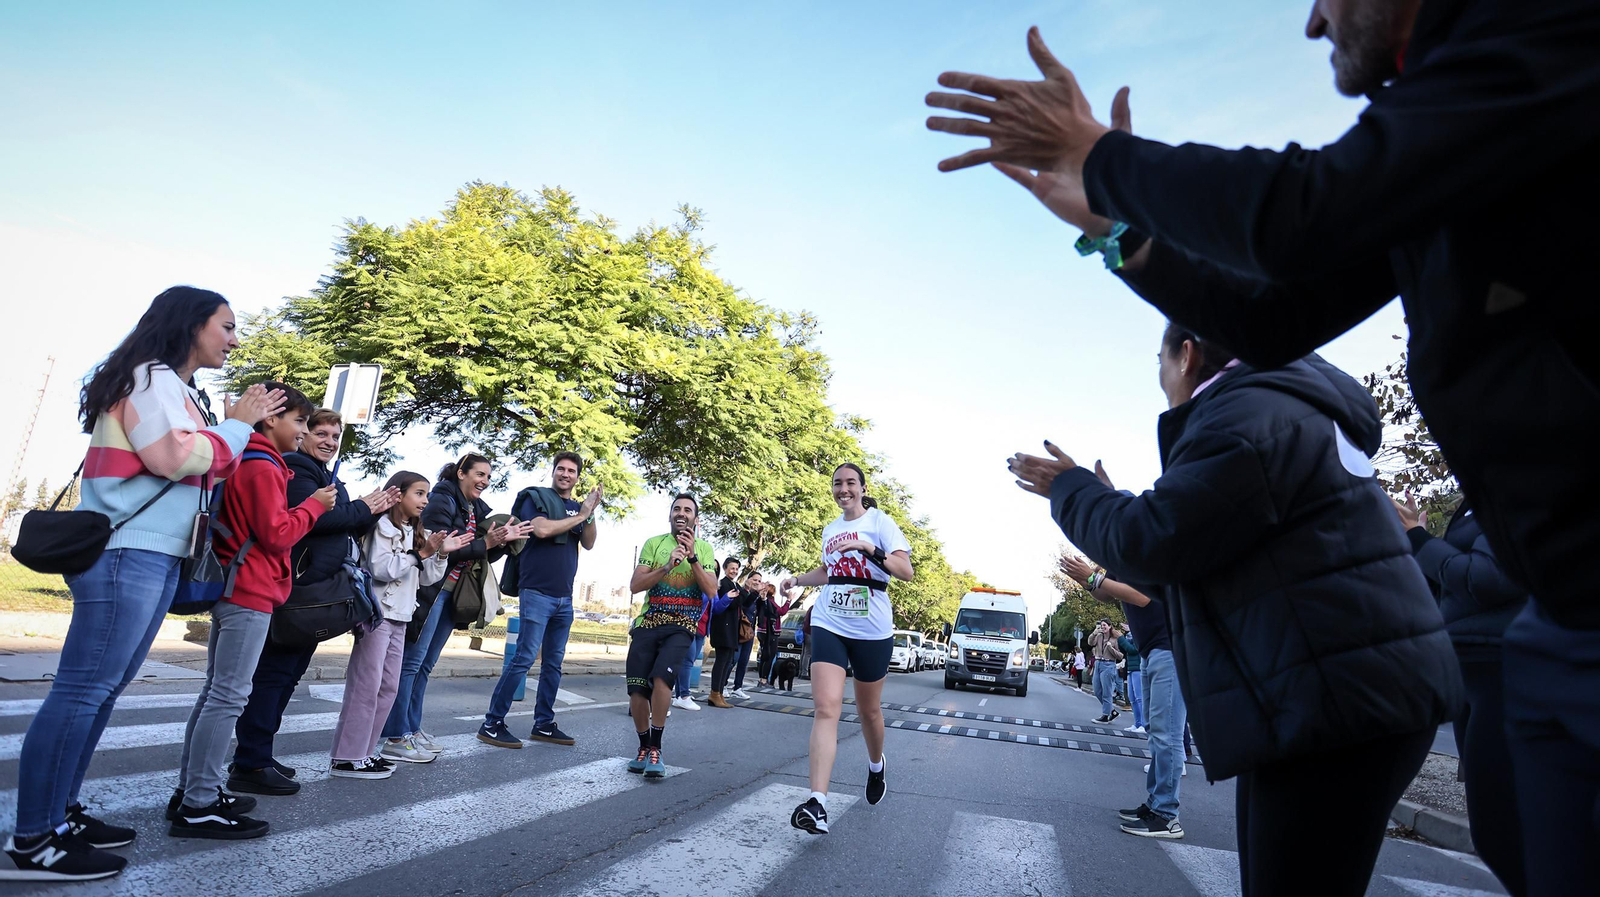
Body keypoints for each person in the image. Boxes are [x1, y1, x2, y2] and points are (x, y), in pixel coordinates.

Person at [926, 14, 1600, 891]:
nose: (1314, 19)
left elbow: (1296, 216)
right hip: (1555, 614)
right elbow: (1274, 314)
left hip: (1367, 687)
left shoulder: (1537, 45)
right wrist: (1119, 228)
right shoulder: (1447, 153)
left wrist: (1103, 157)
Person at [1006, 324, 1462, 895]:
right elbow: (1191, 548)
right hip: (1345, 688)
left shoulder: (1245, 412)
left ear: (1189, 355)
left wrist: (1073, 491)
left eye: (1160, 361)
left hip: (1335, 698)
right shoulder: (1284, 408)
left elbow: (1157, 541)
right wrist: (1113, 507)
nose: (1161, 378)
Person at [1, 288, 285, 882]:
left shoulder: (172, 386)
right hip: (126, 552)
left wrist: (227, 433)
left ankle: (60, 816)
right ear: (189, 325)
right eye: (226, 327)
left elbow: (206, 462)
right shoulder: (150, 377)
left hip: (150, 553)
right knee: (83, 691)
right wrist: (236, 426)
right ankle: (33, 842)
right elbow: (176, 458)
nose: (235, 340)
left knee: (100, 692)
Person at [170, 382, 335, 840]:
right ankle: (199, 802)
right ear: (270, 420)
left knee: (216, 693)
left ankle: (193, 790)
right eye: (299, 421)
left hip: (236, 585)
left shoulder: (252, 457)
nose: (304, 431)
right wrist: (313, 507)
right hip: (249, 589)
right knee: (228, 696)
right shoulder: (263, 465)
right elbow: (277, 534)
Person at [228, 409, 398, 795]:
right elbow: (317, 518)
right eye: (320, 432)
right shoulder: (298, 468)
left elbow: (343, 521)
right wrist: (362, 508)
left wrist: (365, 512)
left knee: (287, 677)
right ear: (302, 434)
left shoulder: (321, 473)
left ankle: (259, 755)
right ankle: (249, 763)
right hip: (292, 590)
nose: (329, 441)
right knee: (272, 677)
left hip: (311, 592)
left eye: (335, 436)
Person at [1397, 494, 1528, 896]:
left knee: (1504, 828)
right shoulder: (1478, 494)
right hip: (1468, 668)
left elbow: (1489, 578)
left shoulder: (1515, 490)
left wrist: (1420, 539)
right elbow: (1453, 585)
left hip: (1504, 668)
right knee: (1493, 831)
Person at [781, 463, 913, 834]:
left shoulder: (881, 523)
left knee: (869, 711)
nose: (844, 489)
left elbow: (905, 571)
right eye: (838, 483)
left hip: (871, 627)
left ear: (862, 487)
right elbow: (830, 572)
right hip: (830, 622)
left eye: (850, 483)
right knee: (826, 708)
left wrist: (867, 547)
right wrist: (796, 579)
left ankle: (875, 765)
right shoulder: (830, 528)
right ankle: (817, 802)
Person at [337, 472, 469, 779]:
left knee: (388, 688)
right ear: (398, 495)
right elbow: (381, 569)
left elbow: (426, 578)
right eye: (419, 494)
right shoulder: (383, 526)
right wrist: (420, 554)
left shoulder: (413, 530)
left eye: (425, 494)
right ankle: (347, 757)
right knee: (366, 688)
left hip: (401, 616)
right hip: (377, 615)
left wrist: (438, 553)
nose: (425, 500)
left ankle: (365, 753)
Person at [381, 453, 515, 757]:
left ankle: (411, 729)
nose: (484, 481)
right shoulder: (442, 500)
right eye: (479, 474)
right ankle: (396, 735)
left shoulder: (474, 507)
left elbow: (477, 553)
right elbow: (438, 550)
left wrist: (499, 543)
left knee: (425, 666)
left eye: (488, 477)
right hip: (433, 592)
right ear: (460, 473)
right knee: (411, 665)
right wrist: (485, 544)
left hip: (451, 594)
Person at [477, 452, 597, 750]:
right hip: (537, 591)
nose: (565, 474)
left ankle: (543, 723)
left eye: (571, 471)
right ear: (553, 472)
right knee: (524, 658)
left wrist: (590, 512)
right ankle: (492, 723)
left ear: (577, 477)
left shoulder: (575, 508)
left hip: (563, 598)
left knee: (554, 664)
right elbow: (541, 529)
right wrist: (580, 516)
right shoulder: (536, 498)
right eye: (561, 469)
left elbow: (589, 542)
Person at [1064, 553, 1186, 838]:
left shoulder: (1147, 548)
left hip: (1170, 649)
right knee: (1157, 732)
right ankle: (1156, 804)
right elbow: (1107, 596)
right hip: (1152, 651)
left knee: (1167, 733)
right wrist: (1087, 581)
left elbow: (1142, 596)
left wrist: (1095, 578)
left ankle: (1167, 816)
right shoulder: (1122, 556)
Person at [624, 494, 718, 778]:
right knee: (637, 687)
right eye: (676, 508)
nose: (681, 513)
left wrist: (693, 559)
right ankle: (643, 747)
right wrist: (665, 567)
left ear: (695, 519)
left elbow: (712, 591)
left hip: (682, 626)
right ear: (670, 515)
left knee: (661, 679)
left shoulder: (704, 549)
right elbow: (636, 584)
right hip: (648, 622)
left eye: (687, 510)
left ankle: (656, 748)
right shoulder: (655, 544)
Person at [706, 558, 745, 708]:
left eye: (736, 569)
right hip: (722, 628)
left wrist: (751, 591)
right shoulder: (724, 584)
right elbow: (733, 603)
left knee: (728, 660)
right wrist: (740, 596)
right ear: (725, 568)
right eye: (732, 568)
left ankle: (719, 693)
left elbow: (744, 601)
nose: (734, 571)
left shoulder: (735, 584)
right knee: (722, 661)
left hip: (731, 628)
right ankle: (715, 693)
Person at [730, 571, 765, 699]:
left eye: (759, 581)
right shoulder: (743, 592)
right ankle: (722, 686)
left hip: (749, 632)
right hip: (739, 630)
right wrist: (754, 592)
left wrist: (763, 598)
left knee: (744, 661)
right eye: (755, 580)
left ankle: (737, 687)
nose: (757, 583)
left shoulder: (758, 597)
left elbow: (763, 613)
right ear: (748, 579)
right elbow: (744, 606)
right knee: (734, 659)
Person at [672, 591, 710, 711]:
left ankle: (678, 696)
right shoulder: (698, 584)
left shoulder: (713, 587)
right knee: (687, 661)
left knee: (687, 662)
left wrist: (727, 598)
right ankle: (684, 696)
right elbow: (698, 601)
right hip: (690, 625)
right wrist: (708, 589)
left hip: (702, 630)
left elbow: (716, 608)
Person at [1086, 619, 1123, 724]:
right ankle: (1112, 711)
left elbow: (1120, 655)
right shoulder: (1098, 636)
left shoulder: (1115, 639)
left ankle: (1105, 716)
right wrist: (1094, 632)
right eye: (1101, 625)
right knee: (1097, 691)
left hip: (1108, 665)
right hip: (1098, 664)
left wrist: (1111, 648)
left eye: (1104, 625)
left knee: (1106, 692)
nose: (1103, 627)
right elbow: (1090, 642)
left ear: (1110, 626)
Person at [757, 583, 794, 687]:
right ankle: (764, 680)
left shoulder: (761, 600)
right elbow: (781, 611)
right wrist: (789, 600)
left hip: (761, 630)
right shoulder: (770, 601)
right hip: (770, 631)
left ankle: (761, 679)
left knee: (764, 656)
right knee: (769, 656)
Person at [1114, 620, 1144, 733]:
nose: (1125, 627)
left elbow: (1132, 650)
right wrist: (1121, 639)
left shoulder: (1139, 635)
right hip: (1131, 669)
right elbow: (1124, 650)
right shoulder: (1128, 636)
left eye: (1127, 625)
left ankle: (1144, 724)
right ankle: (1137, 724)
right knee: (1132, 698)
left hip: (1138, 668)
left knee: (1139, 698)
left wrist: (1121, 638)